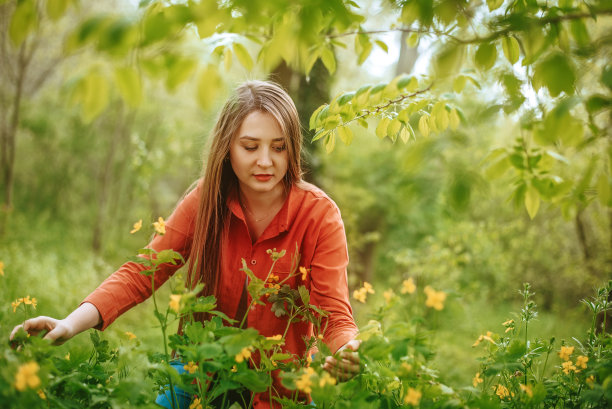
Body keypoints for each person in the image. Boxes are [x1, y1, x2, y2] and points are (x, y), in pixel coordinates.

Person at [10, 80, 360, 408]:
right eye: (250, 146)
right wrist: (69, 324)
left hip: (279, 390)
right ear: (227, 147)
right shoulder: (206, 199)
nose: (265, 161)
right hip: (198, 375)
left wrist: (347, 350)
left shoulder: (319, 215)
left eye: (279, 147)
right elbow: (142, 272)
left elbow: (334, 313)